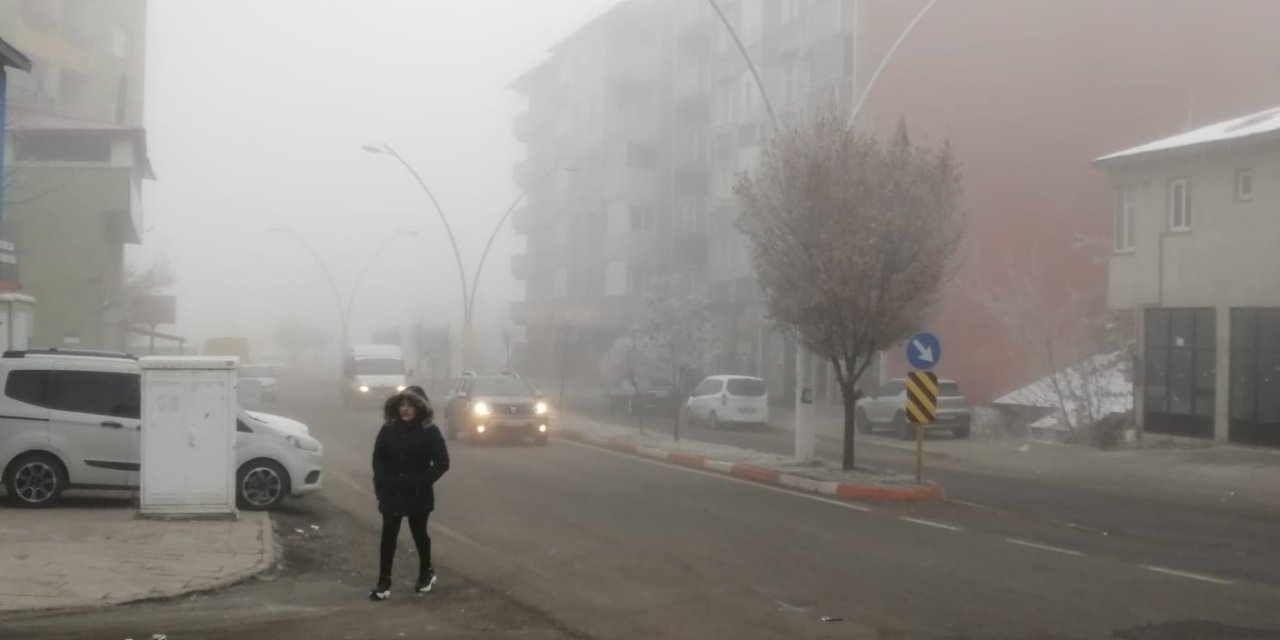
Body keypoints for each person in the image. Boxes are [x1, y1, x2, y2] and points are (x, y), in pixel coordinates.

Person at [369, 390, 450, 601]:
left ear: (419, 408)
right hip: (392, 492)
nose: (405, 409)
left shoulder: (429, 432)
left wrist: (422, 481)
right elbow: (378, 459)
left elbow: (442, 462)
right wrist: (382, 482)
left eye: (410, 405)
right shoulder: (388, 430)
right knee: (388, 536)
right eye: (402, 404)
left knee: (419, 533)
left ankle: (426, 572)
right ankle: (383, 581)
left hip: (417, 494)